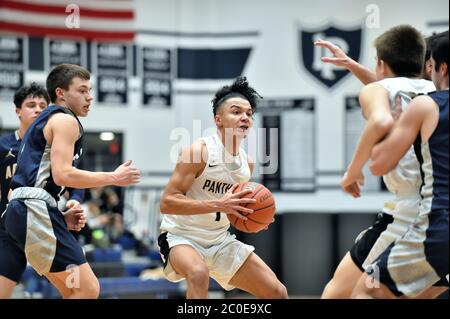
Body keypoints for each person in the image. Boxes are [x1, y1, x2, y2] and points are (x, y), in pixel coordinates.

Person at [315, 26, 445, 298]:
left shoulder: (381, 90)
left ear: (381, 63)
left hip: (410, 216)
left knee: (339, 294)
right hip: (438, 216)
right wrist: (353, 67)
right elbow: (389, 87)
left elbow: (381, 114)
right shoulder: (434, 91)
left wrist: (352, 171)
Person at [2, 64, 141, 299]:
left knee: (73, 290)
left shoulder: (42, 122)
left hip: (24, 211)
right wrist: (113, 177)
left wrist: (56, 215)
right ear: (61, 93)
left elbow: (32, 182)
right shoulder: (65, 121)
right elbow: (62, 175)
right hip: (31, 210)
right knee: (87, 288)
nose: (90, 97)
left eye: (90, 90)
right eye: (82, 90)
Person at [158, 76, 288, 299]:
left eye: (249, 113)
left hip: (219, 240)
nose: (245, 117)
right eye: (236, 112)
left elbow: (239, 206)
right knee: (199, 274)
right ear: (219, 120)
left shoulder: (246, 164)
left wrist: (258, 217)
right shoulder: (199, 152)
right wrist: (220, 204)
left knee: (277, 292)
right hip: (182, 237)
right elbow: (167, 203)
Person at [352, 33, 449, 298]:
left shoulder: (427, 104)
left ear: (441, 67)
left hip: (427, 219)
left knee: (366, 290)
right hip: (426, 223)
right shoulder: (425, 96)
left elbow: (379, 164)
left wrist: (388, 134)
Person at [0, 83, 87, 299]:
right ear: (18, 111)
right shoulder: (4, 146)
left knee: (76, 288)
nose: (38, 109)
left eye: (42, 105)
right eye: (31, 105)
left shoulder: (57, 142)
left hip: (41, 221)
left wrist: (74, 200)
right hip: (8, 228)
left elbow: (72, 179)